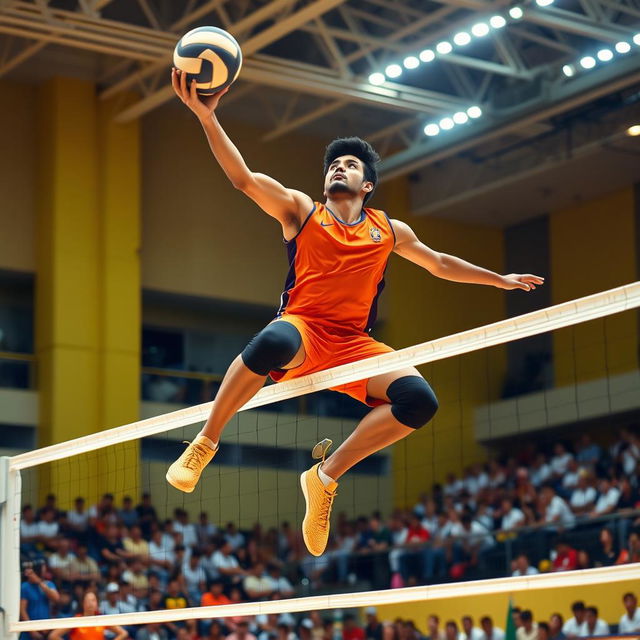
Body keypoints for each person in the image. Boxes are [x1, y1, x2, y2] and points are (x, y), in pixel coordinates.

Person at [165, 68, 544, 557]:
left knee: (419, 402)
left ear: (367, 185)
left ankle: (324, 478)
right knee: (272, 342)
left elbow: (439, 263)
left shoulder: (389, 230)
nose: (338, 169)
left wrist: (498, 279)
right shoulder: (301, 211)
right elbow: (242, 179)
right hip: (303, 330)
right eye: (333, 165)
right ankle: (205, 443)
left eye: (349, 165)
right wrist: (206, 116)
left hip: (354, 344)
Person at [49, 590, 127, 640]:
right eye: (87, 600)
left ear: (97, 604)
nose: (90, 603)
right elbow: (53, 636)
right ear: (83, 604)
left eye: (93, 600)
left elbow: (123, 633)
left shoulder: (102, 620)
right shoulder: (76, 620)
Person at [20, 561, 60, 640]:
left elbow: (56, 598)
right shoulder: (25, 587)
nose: (44, 571)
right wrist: (32, 631)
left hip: (45, 630)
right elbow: (22, 610)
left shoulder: (48, 584)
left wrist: (39, 582)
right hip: (29, 632)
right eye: (42, 568)